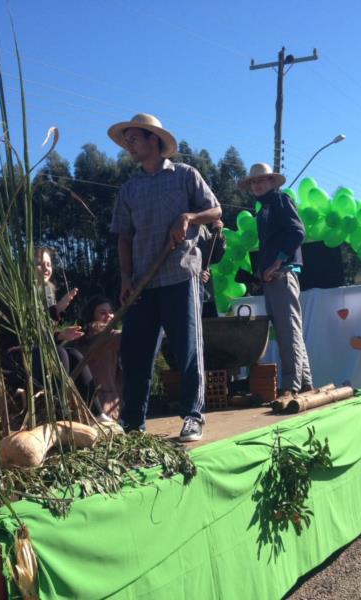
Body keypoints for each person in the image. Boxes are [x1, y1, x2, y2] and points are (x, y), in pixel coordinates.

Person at [108, 113, 221, 442]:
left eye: (134, 139)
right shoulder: (129, 189)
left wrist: (189, 216)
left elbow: (215, 212)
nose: (129, 146)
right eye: (126, 141)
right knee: (135, 353)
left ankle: (193, 416)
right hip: (143, 282)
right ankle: (133, 424)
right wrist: (125, 278)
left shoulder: (186, 175)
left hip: (181, 274)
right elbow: (124, 237)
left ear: (153, 140)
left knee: (187, 348)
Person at [239, 163, 313, 397]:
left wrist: (277, 262)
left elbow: (298, 231)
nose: (257, 184)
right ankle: (305, 381)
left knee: (288, 329)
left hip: (282, 274)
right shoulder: (264, 208)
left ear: (272, 182)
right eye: (253, 181)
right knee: (288, 330)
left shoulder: (280, 200)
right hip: (272, 277)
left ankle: (291, 384)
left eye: (262, 180)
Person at [33, 247, 100, 416]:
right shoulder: (22, 294)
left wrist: (60, 331)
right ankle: (59, 413)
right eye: (40, 264)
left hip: (41, 348)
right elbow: (30, 334)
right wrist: (58, 325)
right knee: (60, 354)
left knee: (75, 355)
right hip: (19, 353)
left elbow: (46, 332)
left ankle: (96, 413)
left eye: (48, 264)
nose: (46, 268)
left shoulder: (48, 291)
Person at [75, 296, 123, 419]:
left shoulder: (79, 337)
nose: (109, 316)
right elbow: (130, 336)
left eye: (111, 312)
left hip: (82, 403)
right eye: (103, 313)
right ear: (92, 316)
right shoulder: (105, 336)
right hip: (104, 403)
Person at [195, 219, 226, 317]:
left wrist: (218, 235)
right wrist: (197, 274)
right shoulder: (177, 226)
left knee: (211, 329)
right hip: (185, 294)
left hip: (206, 294)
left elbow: (215, 257)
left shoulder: (202, 228)